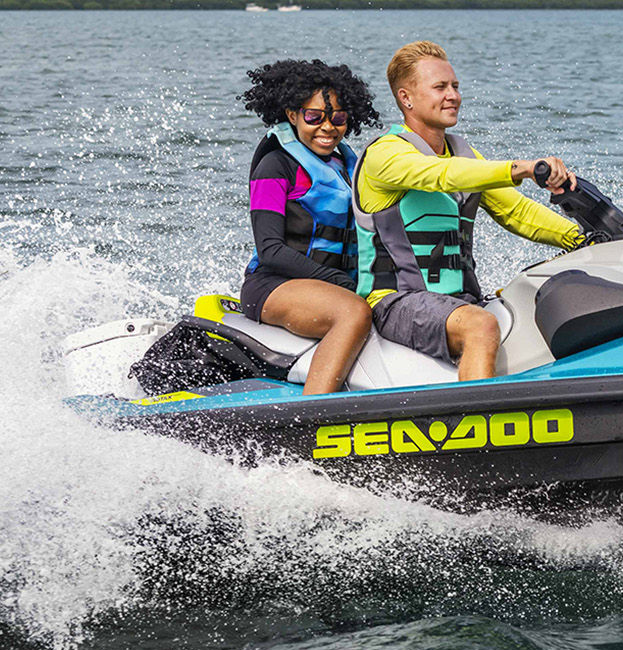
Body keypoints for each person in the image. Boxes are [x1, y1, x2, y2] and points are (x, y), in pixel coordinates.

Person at [354, 41, 585, 381]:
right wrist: (520, 169)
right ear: (406, 98)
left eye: (456, 86)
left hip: (458, 300)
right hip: (396, 301)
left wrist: (582, 239)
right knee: (481, 326)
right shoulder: (385, 155)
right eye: (440, 87)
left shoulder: (463, 154)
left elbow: (517, 211)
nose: (453, 96)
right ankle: (477, 423)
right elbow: (439, 176)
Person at [239, 58, 381, 394]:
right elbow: (270, 250)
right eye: (314, 117)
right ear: (292, 115)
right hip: (274, 285)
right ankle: (313, 414)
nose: (328, 128)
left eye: (339, 118)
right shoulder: (276, 166)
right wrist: (337, 281)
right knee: (353, 313)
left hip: (335, 285)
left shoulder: (348, 166)